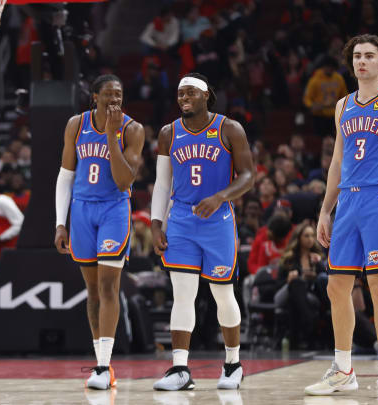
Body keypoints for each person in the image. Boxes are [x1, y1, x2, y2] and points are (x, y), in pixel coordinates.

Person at [306, 34, 378, 400]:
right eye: (357, 56)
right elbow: (337, 163)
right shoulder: (342, 106)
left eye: (370, 56)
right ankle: (343, 370)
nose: (362, 62)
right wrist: (325, 211)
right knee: (336, 286)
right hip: (348, 204)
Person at [150, 73, 254, 391]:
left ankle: (233, 364)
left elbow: (248, 175)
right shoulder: (169, 132)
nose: (184, 98)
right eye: (181, 93)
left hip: (217, 220)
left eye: (191, 93)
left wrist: (221, 196)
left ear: (206, 96)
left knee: (223, 293)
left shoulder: (229, 129)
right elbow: (163, 183)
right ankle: (180, 369)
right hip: (181, 219)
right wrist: (156, 223)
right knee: (182, 295)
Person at [55, 74, 144, 390]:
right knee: (92, 291)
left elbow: (124, 181)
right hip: (81, 210)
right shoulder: (75, 125)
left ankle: (104, 367)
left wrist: (110, 136)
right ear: (94, 97)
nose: (114, 101)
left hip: (113, 210)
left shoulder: (132, 130)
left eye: (119, 95)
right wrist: (60, 223)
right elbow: (66, 175)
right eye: (108, 95)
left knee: (108, 287)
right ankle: (99, 360)